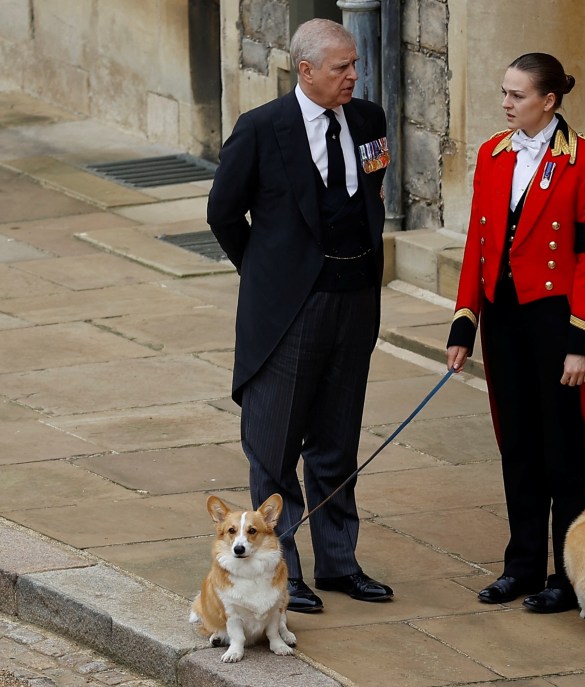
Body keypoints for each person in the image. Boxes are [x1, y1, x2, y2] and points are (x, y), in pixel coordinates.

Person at [207, 18, 394, 613]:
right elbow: (222, 213)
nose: (353, 77)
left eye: (355, 65)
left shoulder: (368, 121)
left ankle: (339, 562)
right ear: (306, 71)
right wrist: (268, 276)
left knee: (337, 442)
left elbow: (371, 192)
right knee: (276, 444)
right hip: (289, 313)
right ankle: (282, 566)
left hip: (354, 302)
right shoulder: (261, 129)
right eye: (342, 68)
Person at [446, 53, 585, 614]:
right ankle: (521, 566)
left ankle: (571, 578)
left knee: (564, 453)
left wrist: (583, 341)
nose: (505, 104)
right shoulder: (494, 155)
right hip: (504, 320)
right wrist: (463, 321)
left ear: (548, 101)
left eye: (516, 95)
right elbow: (477, 242)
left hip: (557, 321)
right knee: (517, 445)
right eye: (503, 92)